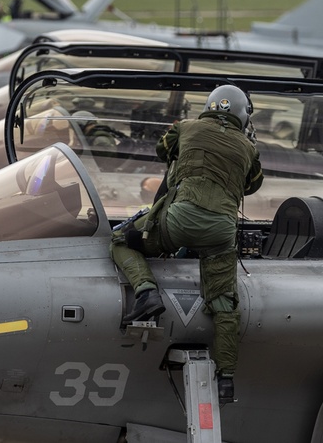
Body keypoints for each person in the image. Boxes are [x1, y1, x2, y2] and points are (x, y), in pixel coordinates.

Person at [110, 84, 263, 404]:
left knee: (122, 240)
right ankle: (226, 380)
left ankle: (146, 293)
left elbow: (163, 151)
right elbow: (252, 185)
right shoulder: (248, 149)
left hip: (177, 223)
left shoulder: (186, 127)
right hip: (220, 233)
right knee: (224, 304)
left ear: (209, 105)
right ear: (243, 116)